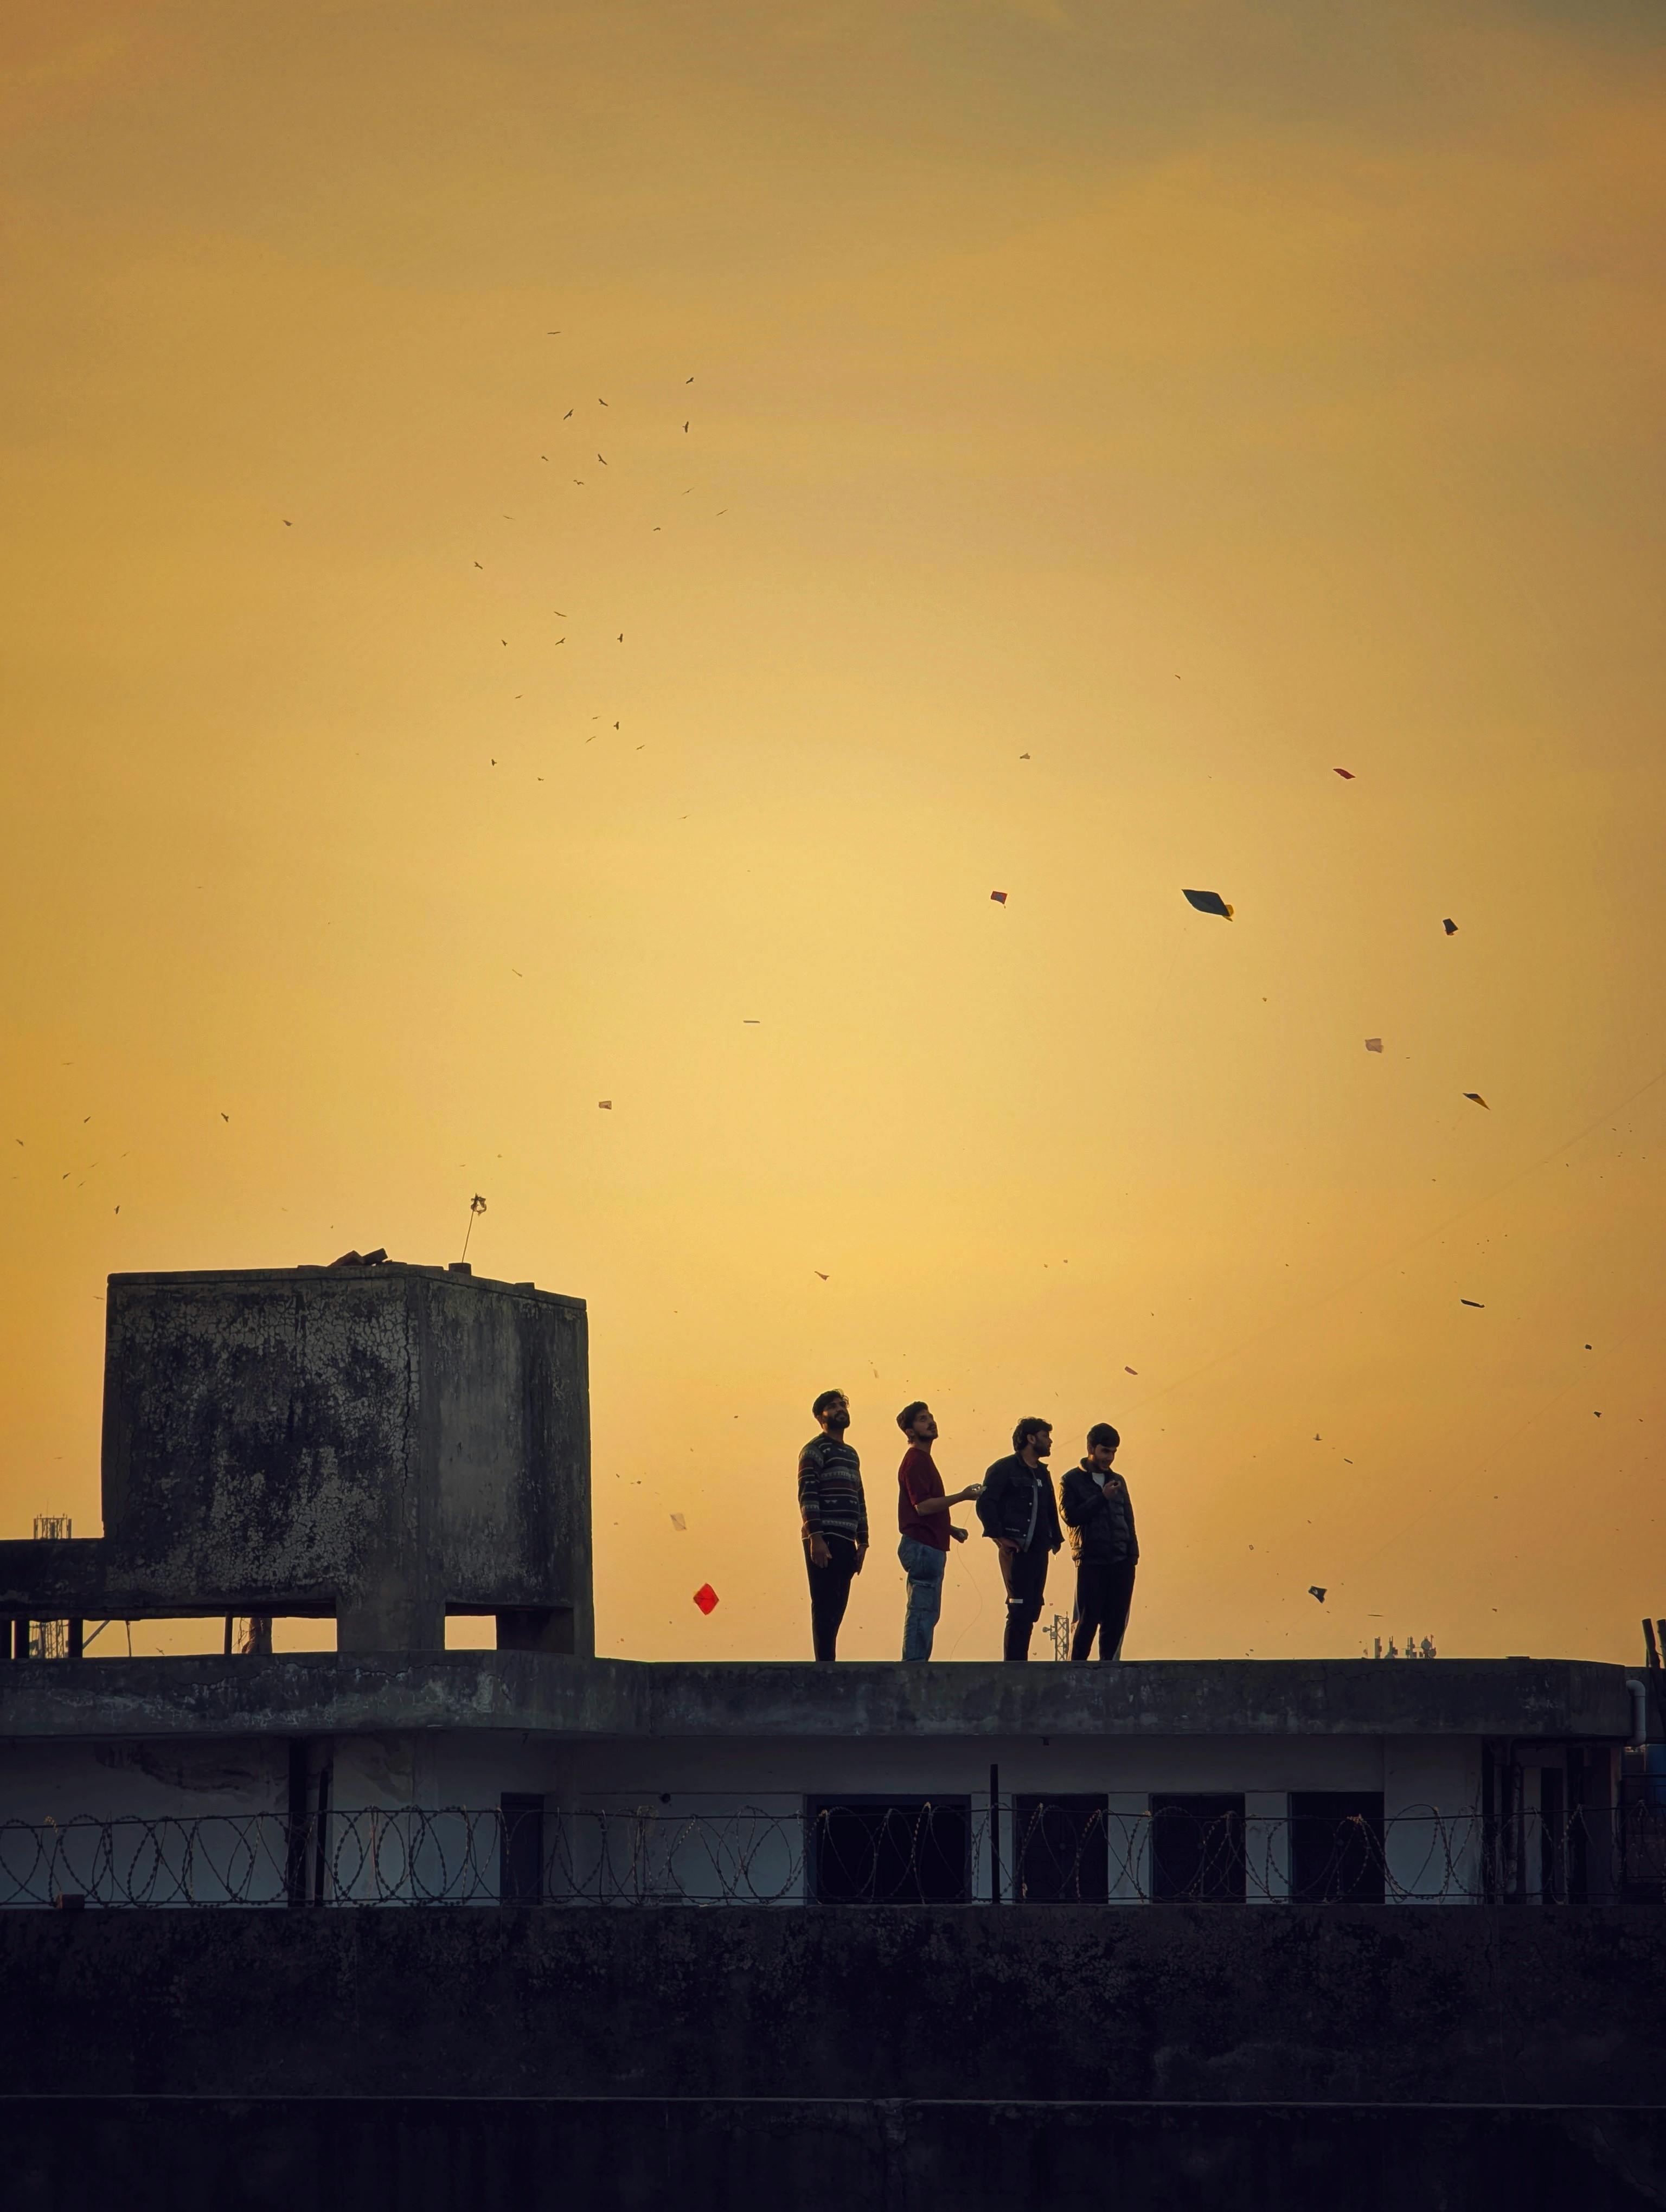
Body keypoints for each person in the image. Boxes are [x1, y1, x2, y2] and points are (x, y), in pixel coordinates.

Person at [894, 1402, 982, 1662]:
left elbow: (923, 1509)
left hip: (929, 1544)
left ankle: (917, 1665)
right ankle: (914, 1667)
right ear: (910, 1432)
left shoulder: (923, 1460)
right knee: (923, 1610)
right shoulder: (915, 1461)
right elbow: (922, 1507)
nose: (931, 1422)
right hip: (922, 1546)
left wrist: (950, 1529)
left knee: (928, 1611)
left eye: (930, 1417)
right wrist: (963, 1496)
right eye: (923, 1419)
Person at [976, 1417, 1063, 1661]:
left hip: (1039, 1549)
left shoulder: (1042, 1473)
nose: (1050, 1441)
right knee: (1019, 1607)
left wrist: (1054, 1538)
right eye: (1045, 1436)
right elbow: (986, 1502)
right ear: (1031, 1439)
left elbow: (1049, 1508)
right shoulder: (1004, 1469)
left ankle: (1021, 1664)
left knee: (1033, 1607)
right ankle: (1014, 1666)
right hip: (1017, 1549)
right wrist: (999, 1537)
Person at [797, 1389, 868, 1660]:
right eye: (833, 1406)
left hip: (847, 1538)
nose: (840, 1409)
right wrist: (815, 1537)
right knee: (824, 1604)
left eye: (842, 1405)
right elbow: (807, 1494)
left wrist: (863, 1542)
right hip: (824, 1537)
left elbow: (859, 1497)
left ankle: (830, 1663)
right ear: (820, 1416)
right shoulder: (814, 1450)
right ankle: (825, 1666)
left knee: (839, 1604)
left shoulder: (851, 1454)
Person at [1060, 1423, 1139, 1662]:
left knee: (1115, 1620)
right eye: (1105, 1451)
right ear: (1091, 1448)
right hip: (1091, 1559)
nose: (1110, 1457)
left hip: (1121, 1559)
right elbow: (1070, 1516)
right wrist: (1102, 1497)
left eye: (1114, 1452)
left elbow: (1128, 1518)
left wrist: (1133, 1555)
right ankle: (1077, 1669)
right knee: (1087, 1619)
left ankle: (1110, 1669)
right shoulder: (1071, 1480)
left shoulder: (1118, 1480)